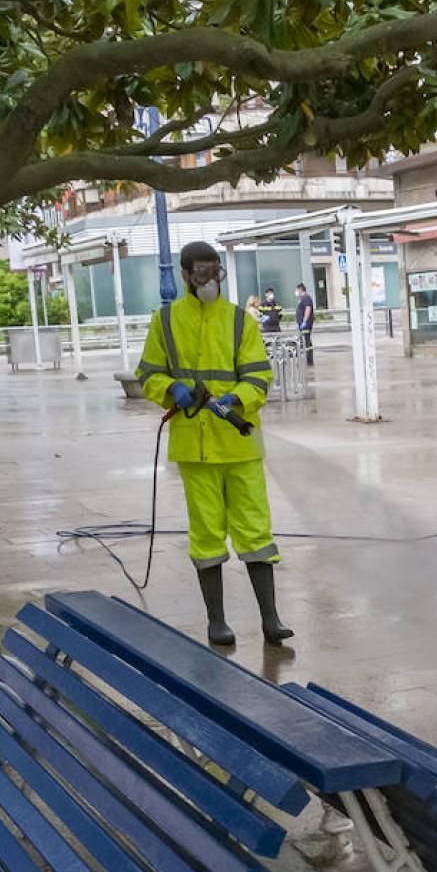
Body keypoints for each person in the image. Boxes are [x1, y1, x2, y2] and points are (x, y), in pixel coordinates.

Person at [136, 241, 293, 647]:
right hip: (195, 448)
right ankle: (216, 622)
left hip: (239, 444)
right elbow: (148, 374)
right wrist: (173, 389)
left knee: (256, 530)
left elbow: (260, 375)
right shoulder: (165, 321)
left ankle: (271, 620)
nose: (210, 281)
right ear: (186, 275)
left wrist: (237, 397)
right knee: (206, 534)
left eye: (216, 273)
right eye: (202, 274)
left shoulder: (241, 321)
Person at [294, 283, 315, 367]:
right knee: (306, 340)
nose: (296, 292)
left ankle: (309, 361)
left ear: (300, 289)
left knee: (306, 341)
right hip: (302, 323)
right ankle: (308, 360)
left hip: (305, 324)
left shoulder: (306, 297)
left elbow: (308, 309)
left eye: (296, 290)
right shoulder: (302, 298)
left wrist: (304, 321)